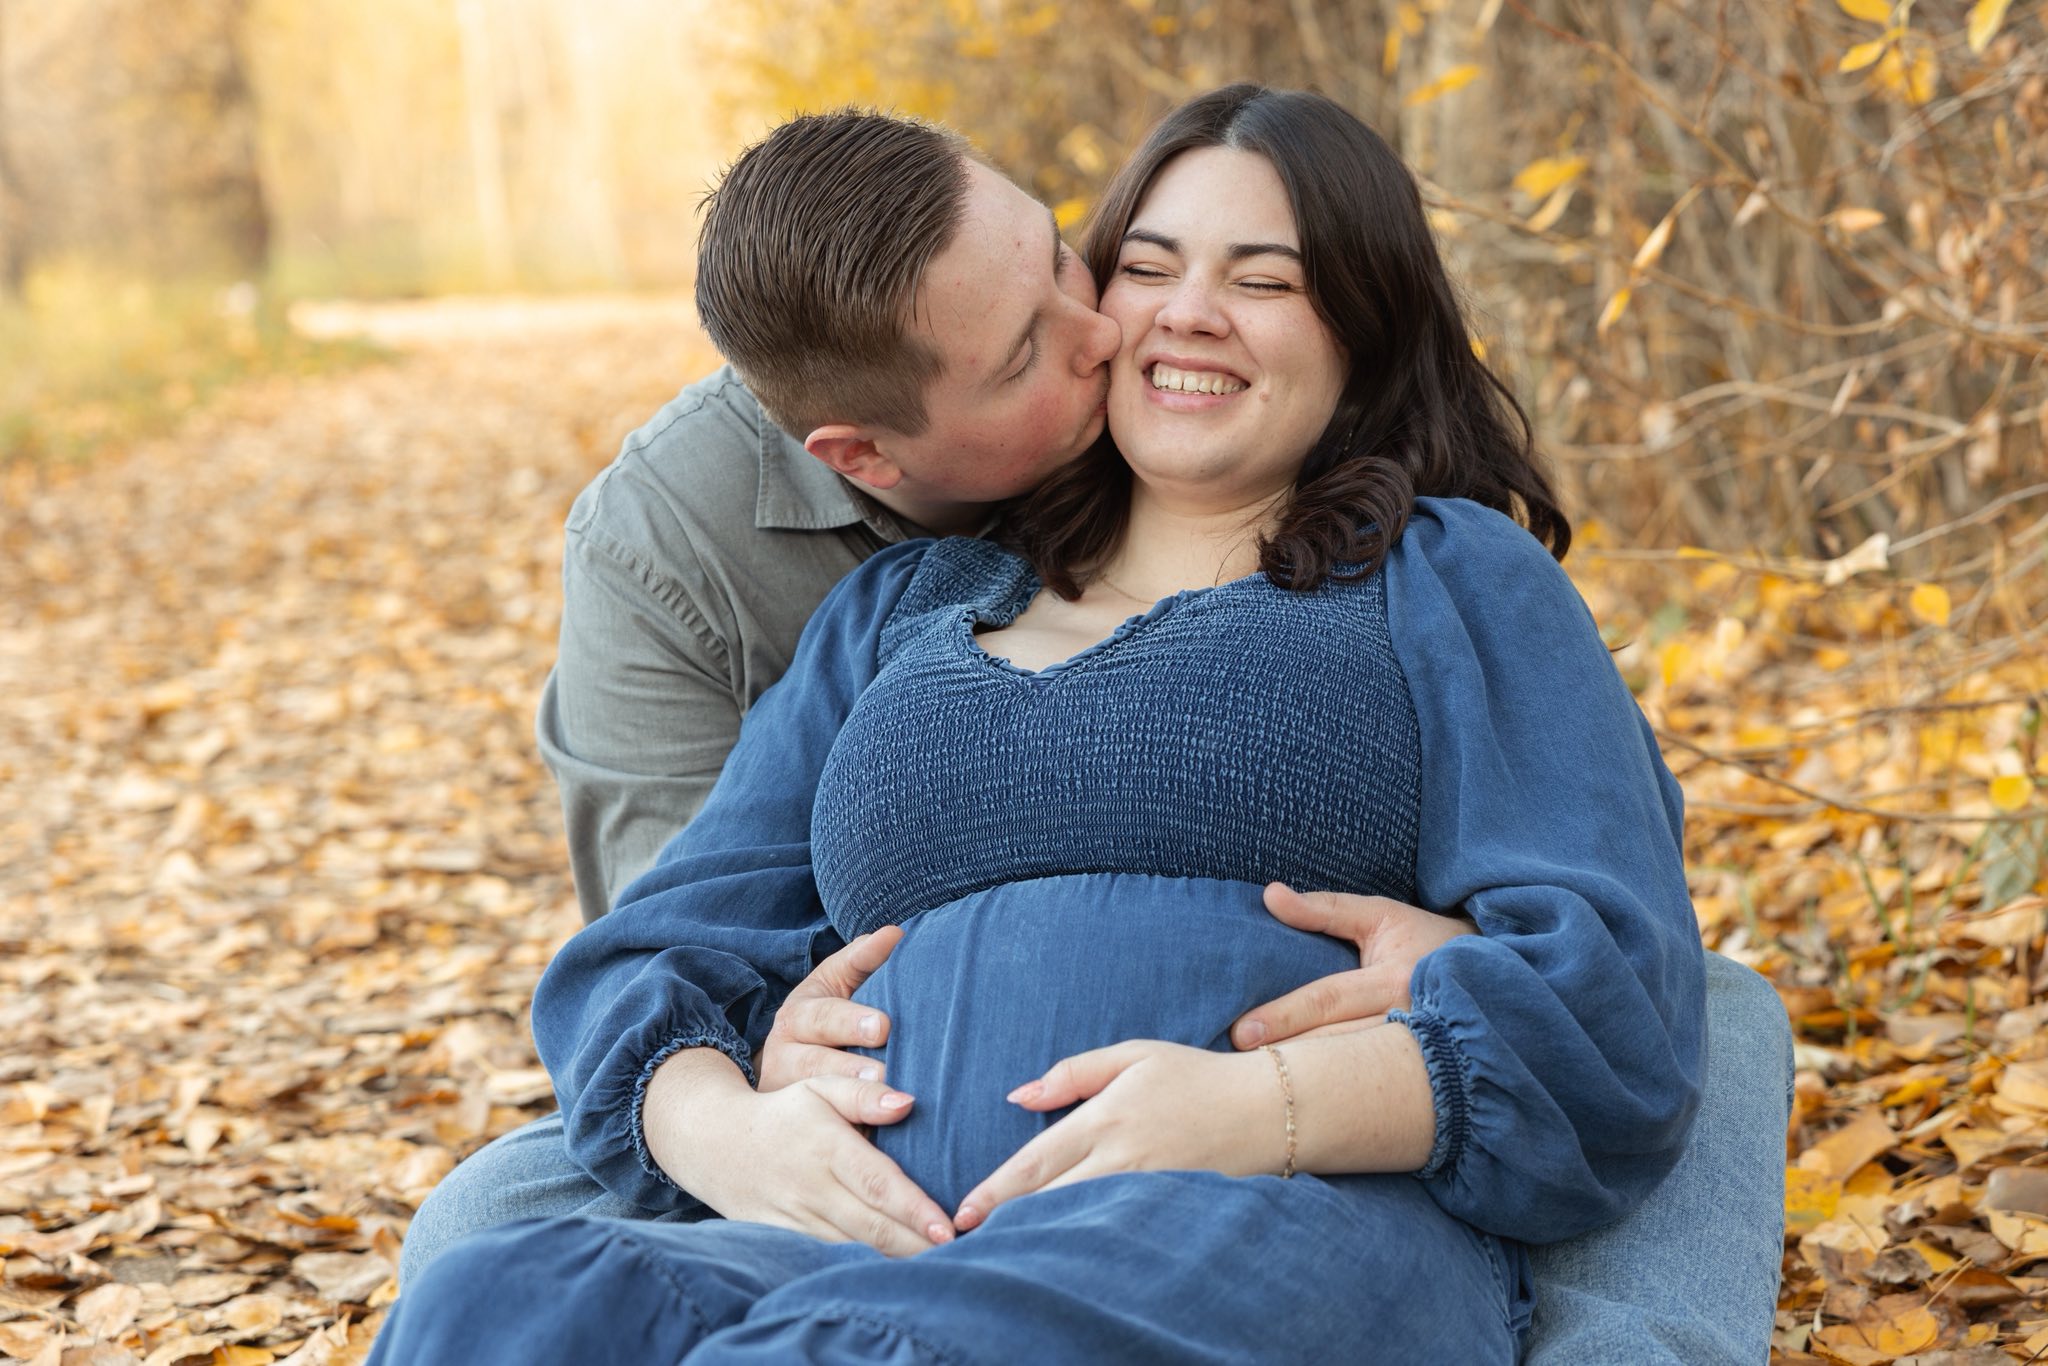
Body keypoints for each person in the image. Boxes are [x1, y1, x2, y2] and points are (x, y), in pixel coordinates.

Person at [371, 85, 1776, 1363]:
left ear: (1362, 329)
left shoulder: (1450, 581)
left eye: (1266, 279)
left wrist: (1261, 1107)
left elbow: (1616, 997)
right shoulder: (904, 608)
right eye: (1148, 264)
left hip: (1258, 1236)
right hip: (865, 1250)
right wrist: (732, 1126)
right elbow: (656, 941)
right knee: (500, 1300)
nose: (1170, 314)